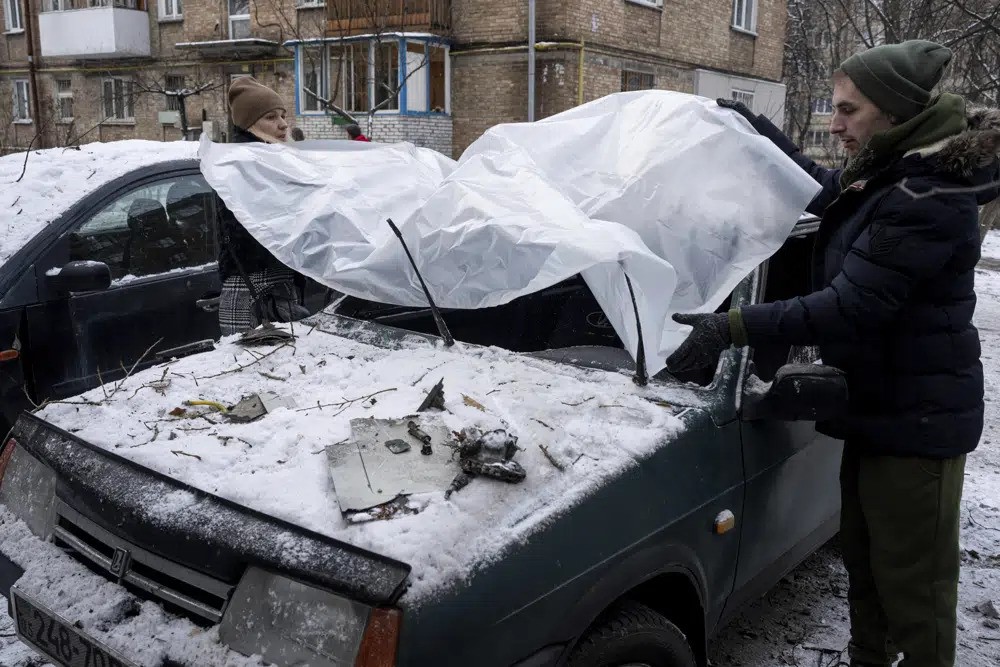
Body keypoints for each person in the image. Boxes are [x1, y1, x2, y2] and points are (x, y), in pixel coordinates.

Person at [667, 40, 999, 667]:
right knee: (869, 566)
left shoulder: (927, 199)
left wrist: (730, 326)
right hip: (881, 407)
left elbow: (852, 306)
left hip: (918, 425)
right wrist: (760, 134)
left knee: (915, 592)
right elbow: (828, 196)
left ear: (894, 112)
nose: (835, 123)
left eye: (848, 111)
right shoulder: (897, 170)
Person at [217, 76, 312, 335]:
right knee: (252, 362)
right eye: (271, 118)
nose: (283, 125)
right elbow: (258, 228)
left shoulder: (272, 159)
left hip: (274, 281)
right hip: (253, 285)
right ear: (249, 124)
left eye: (282, 116)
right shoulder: (242, 164)